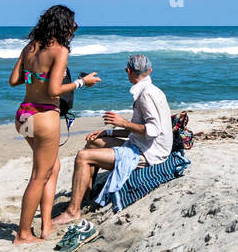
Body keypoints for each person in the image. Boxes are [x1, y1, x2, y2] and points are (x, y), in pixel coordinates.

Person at [9, 5, 101, 245]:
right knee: (39, 175)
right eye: (72, 25)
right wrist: (83, 82)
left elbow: (14, 80)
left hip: (24, 116)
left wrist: (36, 75)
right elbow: (53, 91)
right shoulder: (59, 51)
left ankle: (46, 225)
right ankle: (23, 234)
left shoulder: (30, 48)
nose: (74, 29)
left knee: (53, 166)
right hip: (44, 117)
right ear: (62, 26)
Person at [56, 54, 171, 226]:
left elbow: (152, 131)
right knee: (93, 142)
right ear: (150, 71)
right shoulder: (150, 90)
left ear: (128, 71)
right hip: (142, 144)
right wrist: (107, 133)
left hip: (149, 154)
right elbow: (140, 130)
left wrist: (122, 122)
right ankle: (85, 197)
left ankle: (73, 212)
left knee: (83, 156)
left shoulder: (146, 95)